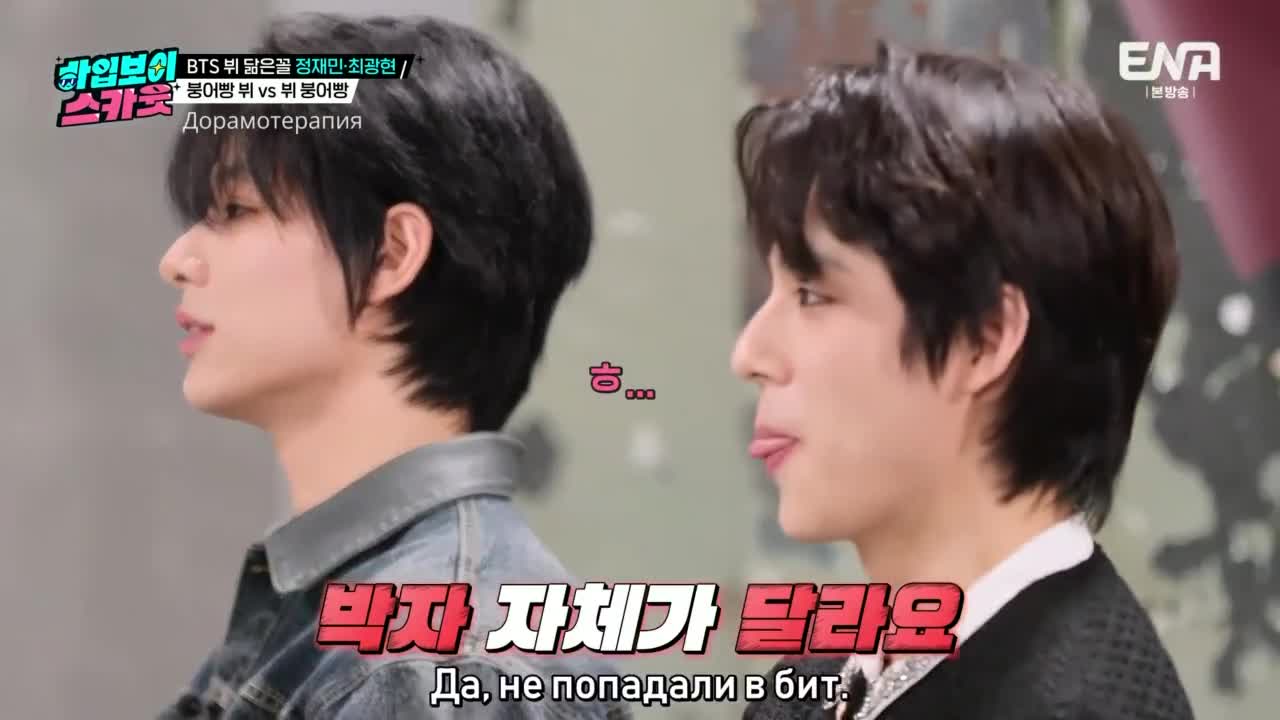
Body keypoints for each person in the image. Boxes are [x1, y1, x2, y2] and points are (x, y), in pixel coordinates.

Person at [155, 14, 626, 719]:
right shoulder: (335, 616)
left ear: (391, 253)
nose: (177, 260)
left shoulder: (429, 661)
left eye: (235, 208)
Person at [733, 42, 1194, 719]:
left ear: (985, 338)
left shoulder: (1077, 705)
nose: (750, 354)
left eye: (812, 294)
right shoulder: (820, 677)